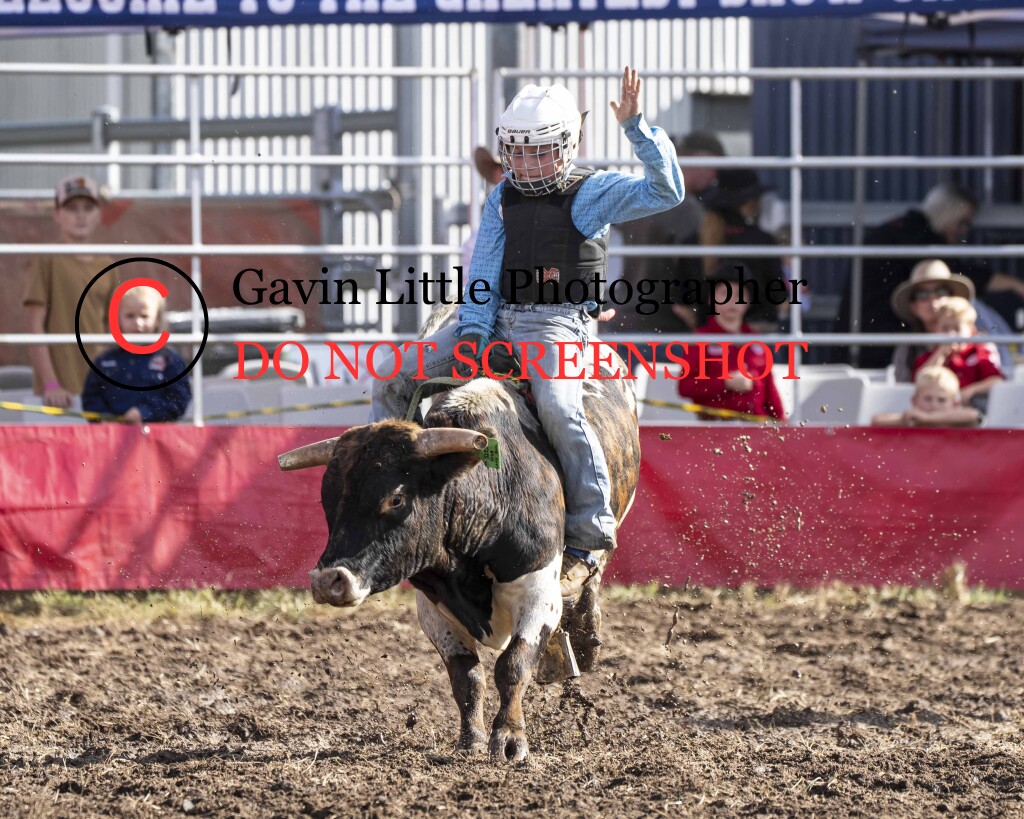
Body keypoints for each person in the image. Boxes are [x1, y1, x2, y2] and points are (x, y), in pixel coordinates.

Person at [371, 67, 684, 596]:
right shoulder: (501, 197)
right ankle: (387, 494)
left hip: (557, 322)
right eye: (517, 152)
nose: (526, 163)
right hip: (497, 319)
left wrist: (637, 128)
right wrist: (473, 332)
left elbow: (667, 189)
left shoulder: (593, 191)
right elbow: (484, 269)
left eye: (539, 151)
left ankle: (590, 533)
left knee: (559, 407)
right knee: (393, 377)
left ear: (567, 146)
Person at [839, 183, 1024, 368]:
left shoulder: (903, 230)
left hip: (866, 338)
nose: (963, 231)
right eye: (962, 222)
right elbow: (958, 272)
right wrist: (1015, 285)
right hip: (876, 346)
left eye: (941, 292)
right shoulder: (915, 236)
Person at [615, 131, 726, 336]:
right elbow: (693, 268)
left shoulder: (640, 197)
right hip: (665, 321)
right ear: (693, 160)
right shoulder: (687, 210)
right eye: (711, 166)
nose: (714, 175)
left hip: (627, 312)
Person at [23, 175, 119, 409]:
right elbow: (34, 325)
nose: (80, 215)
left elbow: (113, 330)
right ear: (57, 214)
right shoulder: (46, 259)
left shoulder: (108, 266)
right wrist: (51, 385)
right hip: (58, 395)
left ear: (99, 214)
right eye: (72, 208)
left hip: (99, 391)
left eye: (88, 208)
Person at [676, 262, 786, 422]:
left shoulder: (757, 340)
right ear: (711, 298)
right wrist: (725, 383)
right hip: (715, 427)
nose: (732, 300)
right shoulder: (700, 339)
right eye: (724, 293)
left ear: (748, 300)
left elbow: (770, 389)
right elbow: (686, 387)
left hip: (757, 426)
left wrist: (782, 423)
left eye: (739, 294)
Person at [82, 285, 192, 423]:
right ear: (117, 319)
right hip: (111, 433)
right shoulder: (104, 360)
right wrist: (105, 419)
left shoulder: (170, 360)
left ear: (157, 319)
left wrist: (145, 412)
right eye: (130, 316)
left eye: (145, 316)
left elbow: (179, 399)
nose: (138, 322)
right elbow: (91, 398)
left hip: (155, 432)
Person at [699, 168, 784, 330]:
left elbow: (683, 300)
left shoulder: (695, 242)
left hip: (709, 333)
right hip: (756, 331)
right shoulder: (762, 242)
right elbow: (778, 295)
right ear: (751, 201)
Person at [911, 296, 1005, 409]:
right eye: (945, 328)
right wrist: (941, 354)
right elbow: (919, 380)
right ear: (936, 330)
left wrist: (971, 391)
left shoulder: (981, 352)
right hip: (934, 412)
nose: (951, 334)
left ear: (971, 330)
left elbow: (996, 380)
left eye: (957, 328)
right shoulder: (930, 355)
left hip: (969, 411)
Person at [871, 365, 980, 428]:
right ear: (914, 400)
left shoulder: (959, 421)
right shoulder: (912, 420)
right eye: (927, 398)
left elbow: (975, 416)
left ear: (955, 404)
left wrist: (927, 418)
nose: (934, 405)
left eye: (941, 400)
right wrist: (907, 420)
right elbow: (877, 420)